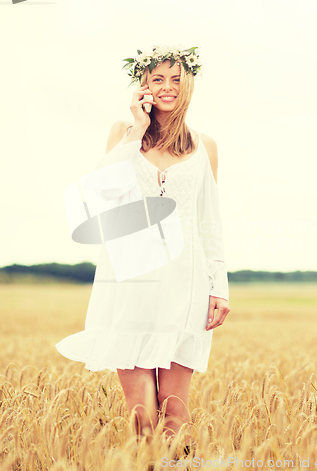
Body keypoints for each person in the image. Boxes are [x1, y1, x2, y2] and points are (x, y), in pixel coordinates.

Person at [55, 45, 230, 457]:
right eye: (157, 79)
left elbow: (210, 221)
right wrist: (136, 129)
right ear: (143, 86)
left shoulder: (205, 146)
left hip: (184, 282)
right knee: (142, 416)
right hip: (129, 282)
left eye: (175, 79)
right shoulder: (123, 133)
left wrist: (218, 286)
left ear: (188, 85)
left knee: (174, 413)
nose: (167, 87)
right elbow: (98, 193)